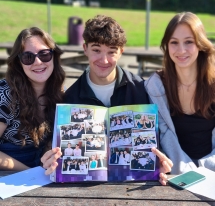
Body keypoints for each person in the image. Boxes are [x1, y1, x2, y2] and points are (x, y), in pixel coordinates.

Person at [41, 15, 173, 185]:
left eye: (112, 51)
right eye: (96, 50)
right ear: (85, 49)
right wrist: (51, 159)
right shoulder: (70, 98)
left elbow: (154, 141)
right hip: (86, 187)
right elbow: (55, 145)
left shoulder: (141, 89)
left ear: (121, 52)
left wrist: (160, 164)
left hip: (133, 184)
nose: (104, 60)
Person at [145, 12, 215, 175]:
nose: (181, 50)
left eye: (189, 42)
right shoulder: (156, 86)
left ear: (200, 44)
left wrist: (204, 169)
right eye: (174, 42)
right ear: (166, 46)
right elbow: (160, 134)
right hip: (173, 174)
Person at [0, 27, 65, 170]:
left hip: (42, 169)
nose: (38, 62)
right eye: (28, 57)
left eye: (44, 54)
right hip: (9, 175)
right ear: (19, 62)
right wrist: (30, 172)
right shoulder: (5, 94)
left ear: (54, 56)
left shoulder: (59, 92)